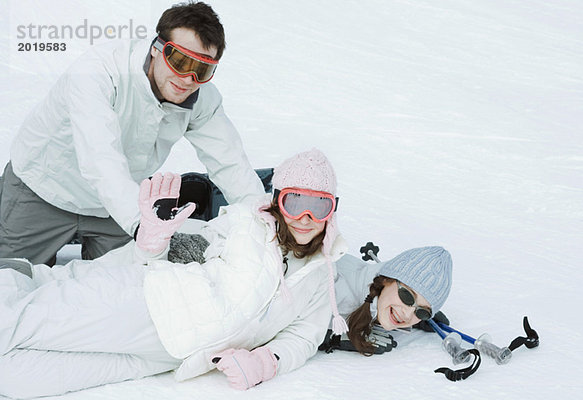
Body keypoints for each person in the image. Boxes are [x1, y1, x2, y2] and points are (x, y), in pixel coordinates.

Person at [0, 149, 348, 398]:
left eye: (319, 206)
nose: (305, 217)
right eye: (295, 202)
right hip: (149, 306)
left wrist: (265, 362)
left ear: (332, 210)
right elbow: (182, 248)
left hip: (172, 356)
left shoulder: (321, 276)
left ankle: (15, 282)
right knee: (15, 322)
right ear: (277, 201)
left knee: (16, 379)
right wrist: (154, 239)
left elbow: (303, 337)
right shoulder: (244, 225)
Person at [0, 1, 264, 266]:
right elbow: (100, 158)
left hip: (115, 209)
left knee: (122, 289)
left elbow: (230, 163)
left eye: (202, 69)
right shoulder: (99, 72)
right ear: (156, 48)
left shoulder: (201, 99)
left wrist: (264, 222)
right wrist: (141, 225)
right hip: (43, 190)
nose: (188, 79)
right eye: (180, 60)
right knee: (10, 283)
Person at [320, 246, 452, 355]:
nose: (407, 314)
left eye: (422, 312)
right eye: (407, 296)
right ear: (387, 279)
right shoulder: (332, 288)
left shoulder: (377, 292)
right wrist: (331, 336)